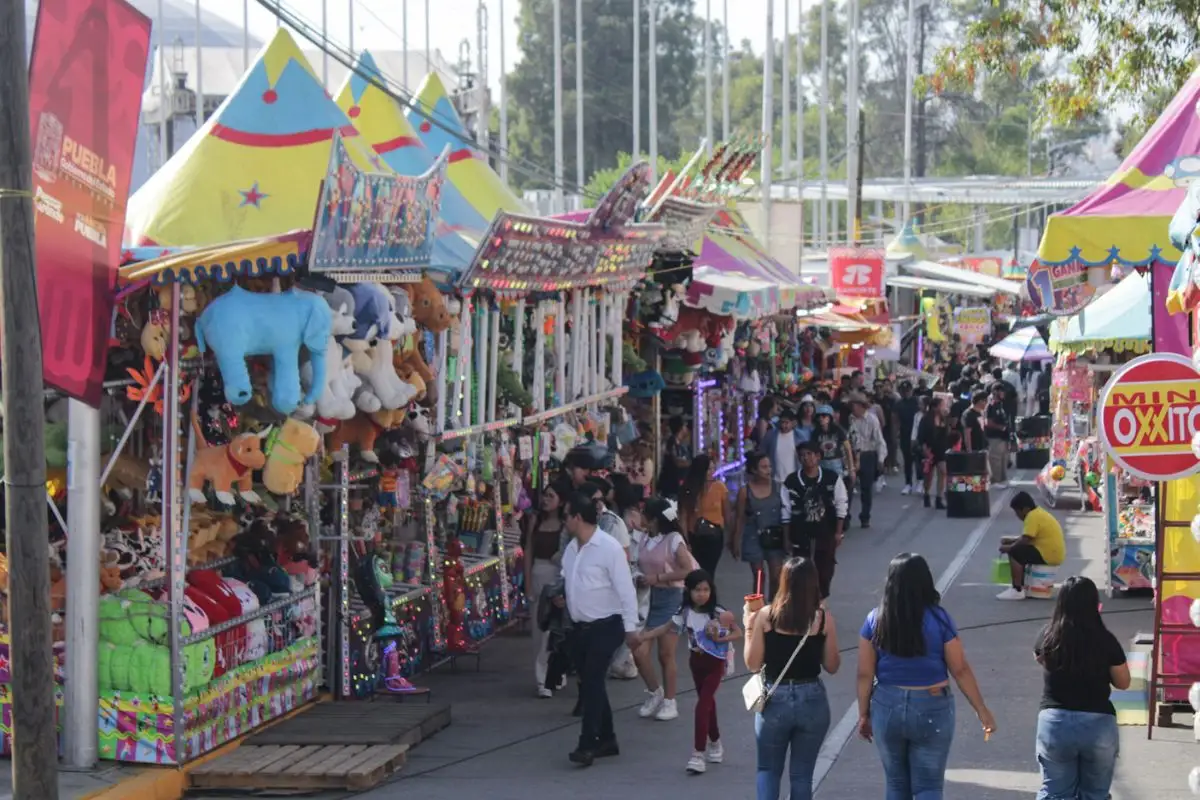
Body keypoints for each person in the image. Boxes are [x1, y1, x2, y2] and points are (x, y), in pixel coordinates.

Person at [857, 553, 996, 798]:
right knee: (928, 786)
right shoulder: (940, 619)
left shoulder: (874, 620)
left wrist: (864, 714)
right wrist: (981, 708)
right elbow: (960, 669)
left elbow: (865, 673)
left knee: (896, 783)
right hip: (932, 703)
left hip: (887, 704)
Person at [744, 557, 841, 800]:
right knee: (802, 775)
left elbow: (752, 664)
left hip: (775, 697)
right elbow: (832, 665)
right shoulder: (822, 618)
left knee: (768, 769)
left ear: (783, 582)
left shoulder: (767, 616)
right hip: (812, 697)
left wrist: (748, 626)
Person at [560, 492, 641, 766]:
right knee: (590, 682)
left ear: (578, 518)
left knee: (593, 681)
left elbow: (626, 589)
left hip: (608, 625)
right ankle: (608, 738)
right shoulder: (572, 549)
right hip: (581, 627)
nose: (564, 521)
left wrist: (631, 629)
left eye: (566, 516)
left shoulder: (609, 548)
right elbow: (569, 580)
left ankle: (588, 743)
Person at [1033, 576, 1130, 800]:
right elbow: (1123, 683)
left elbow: (1039, 658)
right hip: (1097, 725)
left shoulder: (1047, 636)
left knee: (1055, 792)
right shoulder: (1106, 640)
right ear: (1095, 604)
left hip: (1055, 723)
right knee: (1095, 794)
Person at [640, 569, 742, 774]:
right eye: (697, 590)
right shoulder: (684, 612)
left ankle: (697, 754)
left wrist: (721, 639)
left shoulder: (718, 612)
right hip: (696, 664)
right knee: (708, 704)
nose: (702, 594)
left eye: (706, 590)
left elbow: (737, 632)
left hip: (715, 664)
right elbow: (666, 628)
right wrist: (643, 636)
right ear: (689, 591)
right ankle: (716, 742)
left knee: (702, 705)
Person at [632, 497, 695, 722]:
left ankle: (670, 700)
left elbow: (687, 570)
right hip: (648, 599)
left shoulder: (673, 539)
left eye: (643, 513)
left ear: (653, 518)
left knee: (665, 653)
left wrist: (658, 577)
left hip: (670, 598)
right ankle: (654, 691)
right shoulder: (643, 539)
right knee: (639, 651)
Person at [782, 442, 848, 599]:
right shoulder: (791, 481)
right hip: (800, 534)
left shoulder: (832, 478)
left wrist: (838, 532)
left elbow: (841, 504)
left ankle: (820, 602)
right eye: (802, 455)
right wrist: (786, 538)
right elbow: (785, 511)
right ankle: (803, 604)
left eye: (810, 454)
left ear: (818, 456)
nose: (806, 458)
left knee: (825, 571)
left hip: (826, 532)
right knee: (800, 572)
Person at [524, 479, 571, 697]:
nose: (546, 500)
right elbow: (529, 552)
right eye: (545, 495)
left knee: (558, 630)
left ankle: (556, 672)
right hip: (538, 573)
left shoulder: (566, 526)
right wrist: (528, 585)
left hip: (558, 577)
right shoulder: (535, 521)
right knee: (540, 629)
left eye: (551, 496)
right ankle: (541, 679)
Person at [734, 451, 787, 601]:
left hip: (775, 536)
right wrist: (735, 540)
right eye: (763, 467)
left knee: (777, 575)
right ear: (754, 470)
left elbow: (787, 514)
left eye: (769, 466)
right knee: (758, 575)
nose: (768, 470)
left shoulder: (778, 487)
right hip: (753, 536)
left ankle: (773, 607)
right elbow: (740, 517)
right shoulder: (745, 491)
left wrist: (788, 538)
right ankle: (757, 610)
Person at [998, 492, 1066, 601]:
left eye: (1017, 512)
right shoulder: (1038, 513)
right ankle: (1022, 586)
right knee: (1018, 548)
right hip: (1052, 553)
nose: (1017, 516)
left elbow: (1025, 540)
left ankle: (1017, 590)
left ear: (1024, 509)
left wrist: (1009, 548)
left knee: (1016, 551)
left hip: (1047, 554)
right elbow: (1030, 537)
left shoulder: (1032, 516)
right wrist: (1011, 541)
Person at [679, 454, 730, 580]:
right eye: (709, 469)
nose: (712, 472)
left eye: (713, 469)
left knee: (709, 571)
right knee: (696, 570)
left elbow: (727, 514)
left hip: (714, 536)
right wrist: (685, 541)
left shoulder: (720, 487)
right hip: (695, 536)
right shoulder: (689, 489)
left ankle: (708, 595)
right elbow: (683, 517)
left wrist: (730, 537)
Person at [848, 393, 888, 528]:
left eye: (855, 405)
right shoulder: (849, 419)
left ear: (862, 406)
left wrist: (881, 459)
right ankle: (845, 517)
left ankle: (865, 516)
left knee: (866, 488)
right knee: (848, 487)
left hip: (867, 455)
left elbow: (879, 441)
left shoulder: (872, 419)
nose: (853, 408)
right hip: (852, 455)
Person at [918, 397, 950, 509]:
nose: (944, 407)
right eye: (942, 405)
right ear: (935, 407)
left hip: (941, 450)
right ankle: (926, 494)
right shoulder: (926, 419)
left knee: (943, 472)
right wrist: (924, 449)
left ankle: (939, 498)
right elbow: (921, 436)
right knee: (929, 476)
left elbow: (947, 433)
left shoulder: (943, 418)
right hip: (930, 450)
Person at [761, 407, 800, 484]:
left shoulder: (799, 438)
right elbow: (762, 452)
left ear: (792, 423)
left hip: (793, 479)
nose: (783, 425)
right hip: (775, 479)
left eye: (786, 422)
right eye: (782, 422)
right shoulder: (770, 435)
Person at [895, 381, 921, 495]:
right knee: (907, 460)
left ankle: (920, 482)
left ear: (911, 390)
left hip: (918, 435)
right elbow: (895, 420)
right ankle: (908, 484)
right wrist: (895, 434)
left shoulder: (917, 402)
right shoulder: (899, 403)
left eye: (908, 390)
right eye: (903, 391)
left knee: (919, 460)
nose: (906, 393)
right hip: (905, 434)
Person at [658, 415, 693, 499]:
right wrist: (693, 463)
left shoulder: (680, 443)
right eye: (684, 425)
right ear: (681, 427)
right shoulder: (672, 442)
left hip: (675, 482)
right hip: (671, 482)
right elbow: (677, 461)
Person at [985, 382, 1012, 488]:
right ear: (995, 392)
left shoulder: (999, 403)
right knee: (995, 459)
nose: (1004, 394)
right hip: (994, 436)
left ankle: (1003, 479)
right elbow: (988, 422)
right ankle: (995, 481)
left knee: (1003, 458)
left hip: (1002, 436)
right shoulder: (990, 405)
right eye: (1002, 391)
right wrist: (1001, 427)